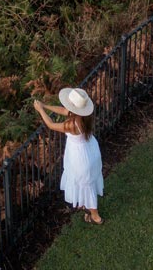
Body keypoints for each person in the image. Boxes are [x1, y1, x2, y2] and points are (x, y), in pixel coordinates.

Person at [34, 87, 104, 224]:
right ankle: (86, 205)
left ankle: (95, 217)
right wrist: (45, 105)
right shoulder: (84, 117)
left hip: (81, 157)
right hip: (89, 150)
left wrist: (40, 110)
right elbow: (63, 111)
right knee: (86, 181)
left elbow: (51, 125)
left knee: (85, 184)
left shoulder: (72, 124)